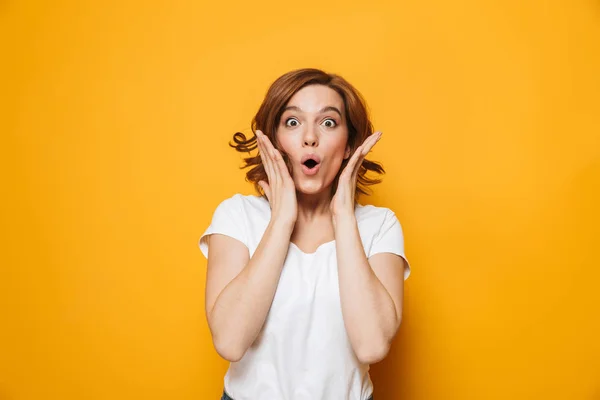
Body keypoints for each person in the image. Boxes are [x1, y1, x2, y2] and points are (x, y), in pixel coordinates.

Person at [198, 68, 411, 400]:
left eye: (328, 123)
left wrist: (343, 215)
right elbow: (229, 341)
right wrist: (283, 218)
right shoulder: (237, 216)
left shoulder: (379, 226)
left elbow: (371, 345)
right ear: (273, 141)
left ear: (348, 146)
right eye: (293, 122)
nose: (310, 137)